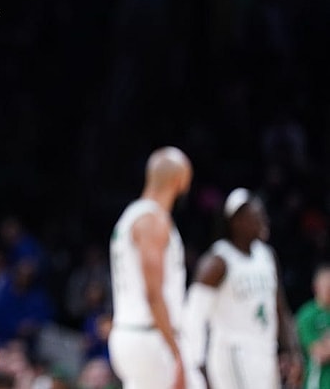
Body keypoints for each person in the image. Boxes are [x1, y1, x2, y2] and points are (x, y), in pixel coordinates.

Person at [182, 188, 303, 389]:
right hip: (232, 353)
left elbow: (280, 307)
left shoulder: (267, 256)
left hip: (265, 350)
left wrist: (293, 351)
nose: (264, 220)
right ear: (237, 222)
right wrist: (197, 364)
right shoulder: (217, 262)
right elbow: (193, 316)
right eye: (257, 216)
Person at [108, 146, 193, 389]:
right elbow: (153, 293)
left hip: (132, 333)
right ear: (180, 181)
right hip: (151, 336)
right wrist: (176, 352)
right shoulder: (153, 221)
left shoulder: (130, 216)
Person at [295, 263, 330, 389]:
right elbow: (318, 353)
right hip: (318, 382)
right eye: (327, 286)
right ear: (316, 287)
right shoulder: (307, 314)